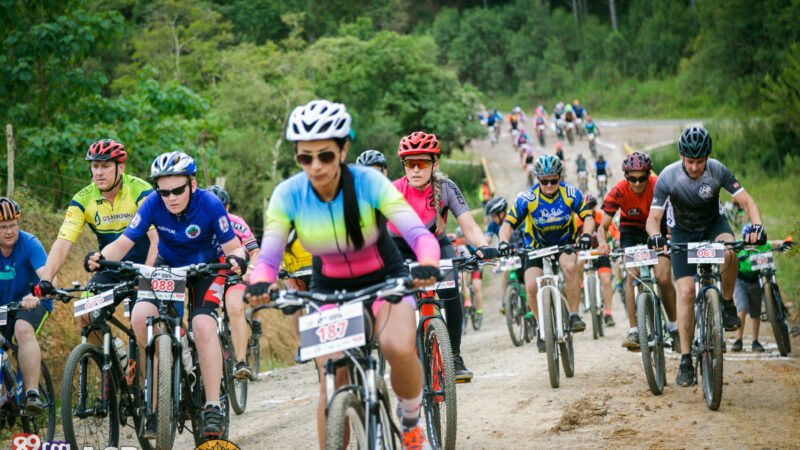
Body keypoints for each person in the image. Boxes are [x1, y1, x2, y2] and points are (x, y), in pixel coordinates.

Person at [244, 100, 442, 449]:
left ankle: (411, 422)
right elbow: (270, 255)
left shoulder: (370, 182)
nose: (315, 166)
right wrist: (260, 282)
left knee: (397, 347)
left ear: (344, 148)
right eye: (305, 158)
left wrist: (427, 261)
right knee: (330, 381)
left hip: (385, 281)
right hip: (328, 289)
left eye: (326, 156)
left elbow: (417, 233)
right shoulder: (288, 194)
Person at [85, 151, 247, 438]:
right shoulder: (152, 204)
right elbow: (123, 243)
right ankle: (155, 398)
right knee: (140, 317)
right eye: (164, 191)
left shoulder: (209, 204)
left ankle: (212, 406)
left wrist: (238, 259)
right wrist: (100, 256)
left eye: (178, 190)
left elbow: (234, 246)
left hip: (206, 269)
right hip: (167, 268)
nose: (170, 197)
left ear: (192, 185)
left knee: (202, 325)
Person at [646, 125, 767, 387]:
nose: (695, 168)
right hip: (682, 233)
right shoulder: (668, 176)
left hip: (714, 225)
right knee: (687, 292)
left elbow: (747, 201)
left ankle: (726, 303)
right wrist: (655, 235)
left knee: (730, 253)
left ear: (707, 157)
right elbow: (653, 219)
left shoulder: (717, 169)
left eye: (700, 162)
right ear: (681, 157)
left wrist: (757, 225)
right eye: (690, 162)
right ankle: (686, 360)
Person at [388, 131, 498, 382]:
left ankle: (455, 357)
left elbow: (468, 225)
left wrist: (481, 246)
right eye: (409, 163)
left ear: (434, 164)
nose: (415, 169)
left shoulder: (447, 188)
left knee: (451, 292)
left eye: (422, 163)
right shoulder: (393, 190)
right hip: (398, 249)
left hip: (436, 245)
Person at [34, 139, 158, 343]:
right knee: (85, 314)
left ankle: (146, 373)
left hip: (144, 268)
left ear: (121, 167)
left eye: (106, 166)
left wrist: (148, 273)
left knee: (144, 328)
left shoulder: (141, 190)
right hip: (110, 269)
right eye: (95, 166)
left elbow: (157, 239)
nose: (99, 172)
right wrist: (46, 279)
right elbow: (63, 242)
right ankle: (108, 363)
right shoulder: (83, 199)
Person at [497, 155, 594, 353]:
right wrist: (503, 242)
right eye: (544, 181)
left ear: (560, 177)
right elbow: (507, 224)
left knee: (569, 267)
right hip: (535, 245)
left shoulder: (570, 192)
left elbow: (588, 217)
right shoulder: (527, 198)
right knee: (531, 286)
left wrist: (586, 235)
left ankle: (574, 315)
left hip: (563, 241)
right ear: (537, 180)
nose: (549, 185)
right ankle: (543, 326)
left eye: (553, 180)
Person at [598, 152, 679, 351]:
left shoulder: (659, 184)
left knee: (663, 277)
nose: (637, 183)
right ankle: (634, 329)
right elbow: (603, 226)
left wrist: (672, 236)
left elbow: (675, 213)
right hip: (631, 230)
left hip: (657, 228)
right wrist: (602, 243)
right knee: (631, 275)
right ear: (626, 177)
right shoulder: (618, 190)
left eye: (642, 178)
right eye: (632, 179)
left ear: (648, 174)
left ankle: (674, 326)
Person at [0, 198, 50, 414]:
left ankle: (32, 394)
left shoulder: (30, 243)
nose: (10, 231)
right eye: (3, 227)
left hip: (31, 303)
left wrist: (36, 293)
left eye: (13, 225)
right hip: (3, 308)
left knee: (22, 328)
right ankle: (4, 396)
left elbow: (47, 277)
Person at [207, 185, 261, 377]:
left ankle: (240, 362)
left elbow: (254, 251)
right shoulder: (197, 221)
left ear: (227, 208)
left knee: (235, 308)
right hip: (210, 276)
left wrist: (251, 270)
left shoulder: (236, 223)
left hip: (234, 275)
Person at [732, 223, 788, 352]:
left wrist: (786, 242)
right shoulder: (739, 245)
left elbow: (775, 243)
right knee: (742, 308)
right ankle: (738, 339)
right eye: (750, 242)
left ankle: (755, 341)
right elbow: (729, 249)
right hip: (740, 280)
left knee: (755, 311)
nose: (753, 244)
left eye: (756, 242)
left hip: (755, 280)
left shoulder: (764, 245)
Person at [575, 194, 618, 327]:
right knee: (577, 263)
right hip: (585, 252)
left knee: (606, 280)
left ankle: (608, 313)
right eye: (586, 207)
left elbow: (615, 231)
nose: (589, 210)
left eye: (591, 206)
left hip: (600, 251)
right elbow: (571, 235)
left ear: (595, 206)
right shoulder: (578, 220)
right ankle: (581, 286)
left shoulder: (601, 217)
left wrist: (617, 240)